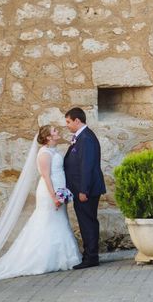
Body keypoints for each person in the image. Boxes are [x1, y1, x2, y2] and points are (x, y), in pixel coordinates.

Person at [0, 125, 81, 281]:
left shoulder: (54, 150)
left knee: (59, 222)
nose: (58, 132)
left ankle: (60, 258)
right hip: (49, 193)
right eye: (54, 131)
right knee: (46, 222)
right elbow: (46, 177)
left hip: (58, 190)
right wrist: (54, 196)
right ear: (48, 137)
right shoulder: (44, 154)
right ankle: (40, 260)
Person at [64, 107, 106, 269]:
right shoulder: (80, 137)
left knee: (88, 223)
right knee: (86, 222)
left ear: (77, 120)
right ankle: (89, 255)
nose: (67, 125)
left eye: (68, 122)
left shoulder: (86, 138)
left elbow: (87, 166)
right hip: (81, 189)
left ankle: (91, 257)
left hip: (85, 190)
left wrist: (83, 190)